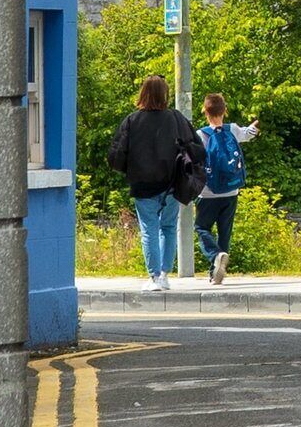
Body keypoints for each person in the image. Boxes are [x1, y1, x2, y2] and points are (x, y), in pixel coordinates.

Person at [104, 76, 200, 293]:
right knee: (168, 228)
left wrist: (128, 169)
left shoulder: (132, 120)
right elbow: (195, 147)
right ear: (165, 94)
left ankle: (154, 276)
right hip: (172, 185)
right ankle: (165, 274)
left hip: (143, 184)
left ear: (143, 93)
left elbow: (117, 154)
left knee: (149, 230)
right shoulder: (176, 118)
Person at [193, 93, 258, 287]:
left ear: (205, 112)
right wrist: (253, 128)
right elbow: (249, 134)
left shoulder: (201, 135)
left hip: (208, 192)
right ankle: (216, 273)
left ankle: (215, 256)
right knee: (224, 232)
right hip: (231, 191)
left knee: (201, 227)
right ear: (225, 111)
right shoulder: (233, 129)